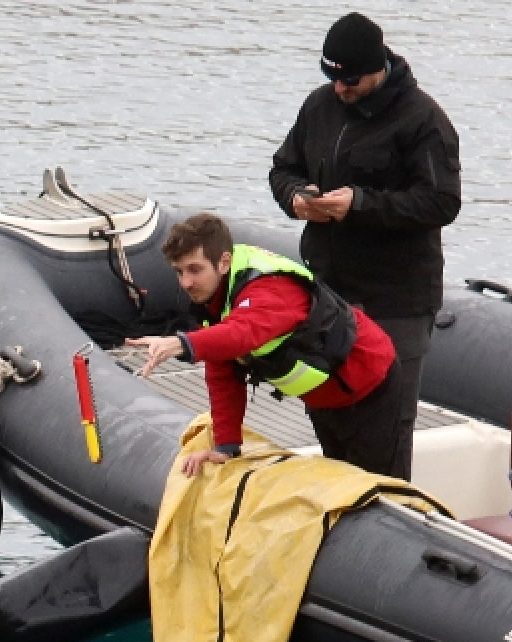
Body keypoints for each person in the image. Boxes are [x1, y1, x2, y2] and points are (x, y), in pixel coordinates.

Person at [268, 11, 462, 480]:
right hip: (328, 295)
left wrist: (359, 204)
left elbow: (441, 202)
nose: (340, 88)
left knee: (384, 430)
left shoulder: (423, 119)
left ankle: (390, 514)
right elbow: (283, 168)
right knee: (329, 415)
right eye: (332, 77)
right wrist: (296, 198)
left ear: (378, 69)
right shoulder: (319, 106)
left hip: (396, 302)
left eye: (351, 80)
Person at [127, 212, 402, 478]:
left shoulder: (269, 288)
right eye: (179, 272)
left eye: (195, 270)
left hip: (369, 384)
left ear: (223, 263)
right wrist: (226, 446)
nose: (186, 283)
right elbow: (223, 372)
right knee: (342, 479)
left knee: (380, 488)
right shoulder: (214, 298)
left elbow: (243, 332)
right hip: (324, 398)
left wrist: (181, 343)